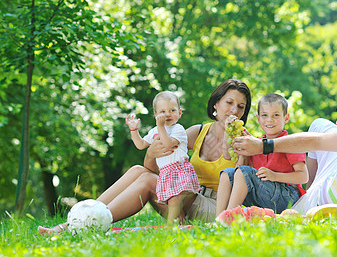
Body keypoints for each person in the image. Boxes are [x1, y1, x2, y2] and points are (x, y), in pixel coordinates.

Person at [38, 79, 251, 234]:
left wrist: (235, 143)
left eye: (241, 107)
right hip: (183, 198)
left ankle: (89, 223)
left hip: (214, 208)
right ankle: (76, 220)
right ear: (216, 104)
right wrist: (151, 151)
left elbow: (242, 180)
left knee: (148, 180)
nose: (235, 110)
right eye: (229, 103)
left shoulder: (243, 139)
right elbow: (152, 167)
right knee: (138, 171)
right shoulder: (197, 132)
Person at [232, 88, 337, 215]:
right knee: (318, 124)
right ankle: (307, 189)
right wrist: (263, 146)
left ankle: (304, 197)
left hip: (317, 203)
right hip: (332, 175)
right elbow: (316, 141)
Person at [216, 94, 308, 216]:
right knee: (227, 174)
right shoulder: (256, 143)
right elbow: (240, 172)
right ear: (258, 118)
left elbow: (303, 177)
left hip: (287, 196)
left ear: (286, 118)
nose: (269, 120)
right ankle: (218, 220)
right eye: (265, 115)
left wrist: (274, 176)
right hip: (264, 195)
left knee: (245, 172)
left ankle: (229, 218)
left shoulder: (290, 143)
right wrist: (244, 152)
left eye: (276, 115)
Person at [125, 91, 201, 225]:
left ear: (179, 113)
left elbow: (167, 144)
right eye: (162, 111)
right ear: (155, 115)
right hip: (166, 173)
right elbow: (141, 145)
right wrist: (134, 131)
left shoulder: (178, 129)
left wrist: (160, 126)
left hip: (180, 171)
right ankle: (181, 225)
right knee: (171, 202)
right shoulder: (154, 131)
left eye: (172, 110)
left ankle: (170, 228)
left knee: (175, 200)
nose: (167, 114)